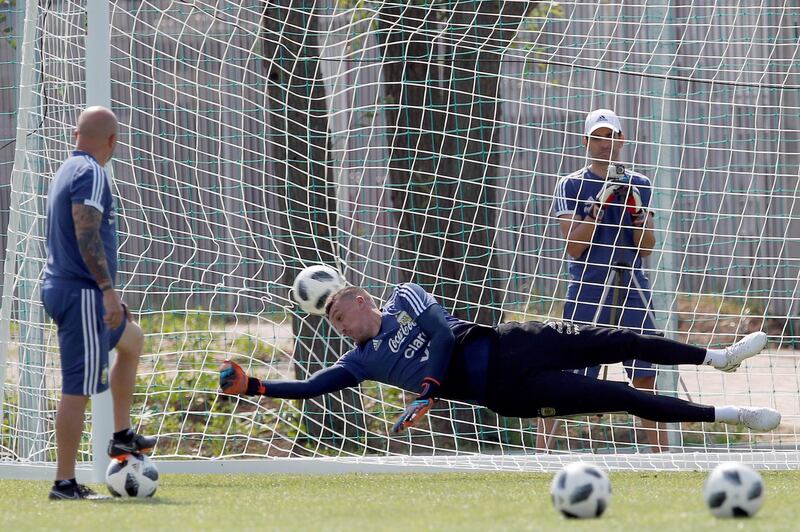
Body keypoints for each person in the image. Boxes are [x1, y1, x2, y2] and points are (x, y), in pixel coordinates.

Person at [219, 283, 780, 438]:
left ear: (359, 297)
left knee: (618, 339)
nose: (340, 324)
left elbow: (441, 336)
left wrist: (430, 387)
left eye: (340, 311)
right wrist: (257, 388)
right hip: (509, 393)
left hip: (515, 343)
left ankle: (720, 355)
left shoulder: (407, 298)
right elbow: (315, 385)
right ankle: (730, 416)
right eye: (332, 322)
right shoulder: (362, 361)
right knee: (621, 398)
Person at [42, 106, 155, 500]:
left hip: (70, 289)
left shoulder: (68, 168)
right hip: (82, 293)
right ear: (112, 140)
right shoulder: (90, 172)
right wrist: (108, 290)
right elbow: (85, 227)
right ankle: (64, 483)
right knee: (77, 389)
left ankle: (122, 437)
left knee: (133, 339)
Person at [549, 108, 664, 451]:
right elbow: (574, 245)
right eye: (597, 138)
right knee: (567, 373)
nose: (604, 145)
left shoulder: (640, 183)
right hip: (588, 288)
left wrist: (638, 217)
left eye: (610, 137)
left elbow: (646, 249)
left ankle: (662, 455)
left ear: (621, 140)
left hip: (631, 286)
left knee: (645, 377)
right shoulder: (570, 185)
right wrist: (598, 208)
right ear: (586, 142)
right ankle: (542, 454)